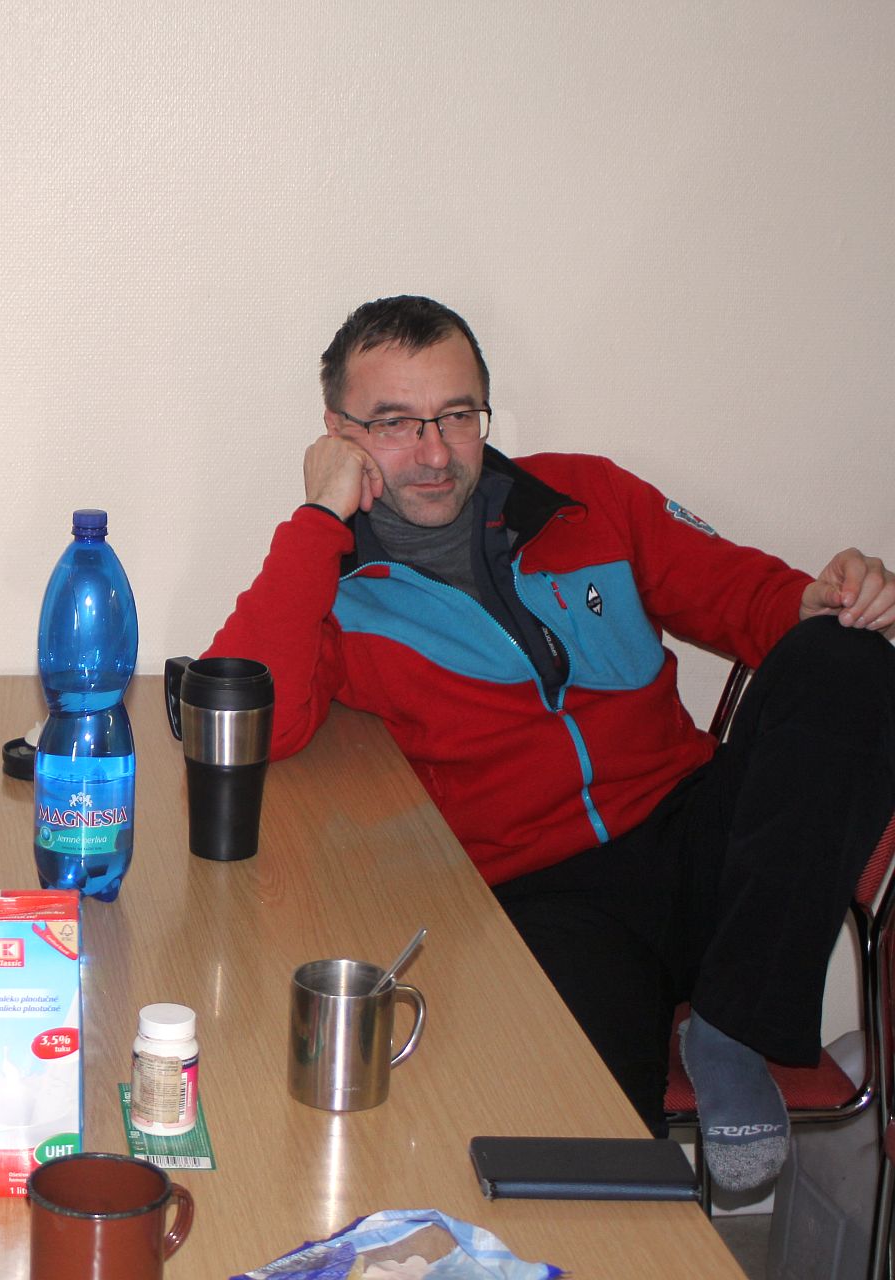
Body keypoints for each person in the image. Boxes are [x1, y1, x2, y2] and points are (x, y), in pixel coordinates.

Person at [206, 295, 895, 1191]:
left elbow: (746, 599)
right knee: (592, 1161)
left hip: (697, 841)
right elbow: (247, 722)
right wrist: (318, 518)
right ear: (339, 434)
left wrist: (826, 600)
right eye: (395, 423)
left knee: (848, 657)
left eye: (457, 415)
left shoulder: (586, 497)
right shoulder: (334, 584)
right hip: (543, 900)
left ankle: (735, 1026)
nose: (435, 452)